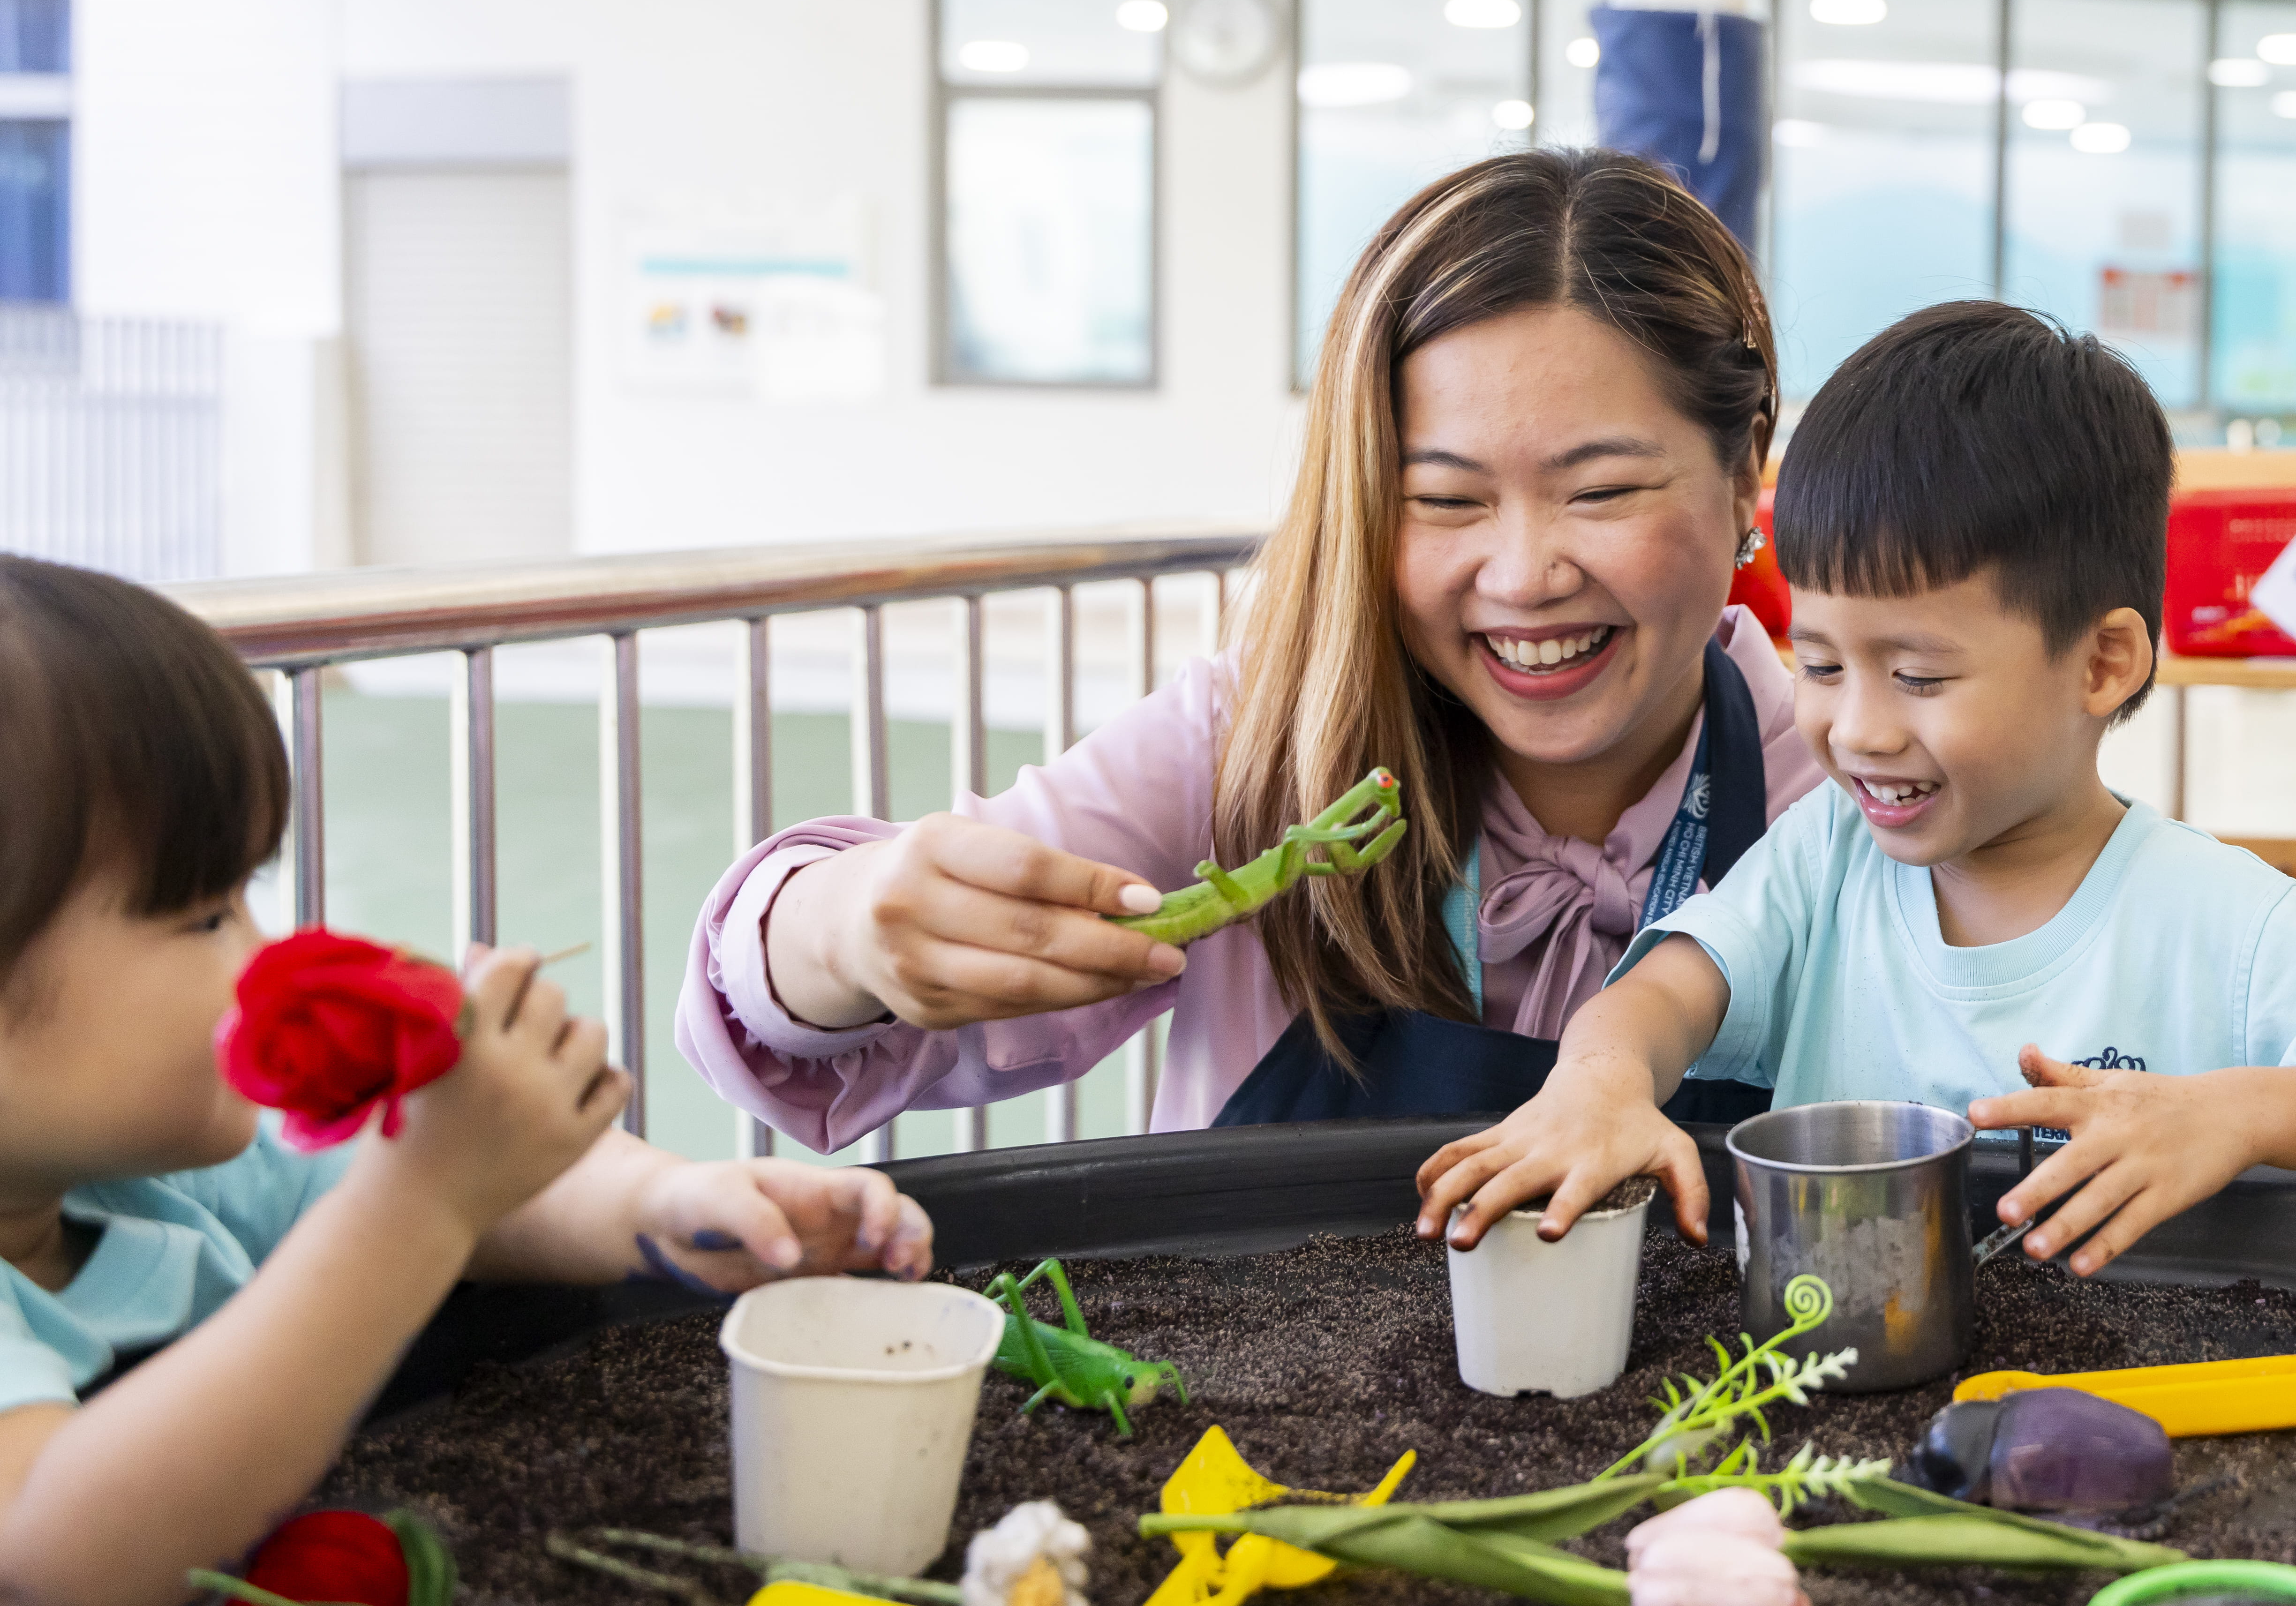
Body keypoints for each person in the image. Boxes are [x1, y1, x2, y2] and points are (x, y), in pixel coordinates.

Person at [681, 150, 1824, 1141]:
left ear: (1743, 478)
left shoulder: (1842, 804)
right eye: (1443, 499)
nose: (1524, 574)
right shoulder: (1251, 752)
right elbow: (803, 1025)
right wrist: (836, 930)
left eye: (1604, 489)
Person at [1416, 301, 2296, 1276]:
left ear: (2102, 664)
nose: (1855, 727)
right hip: (1824, 1366)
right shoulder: (1826, 864)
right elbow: (1666, 988)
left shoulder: (2216, 920)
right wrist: (1603, 1076)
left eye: (1918, 674)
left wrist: (2236, 1114)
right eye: (1818, 663)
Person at [0, 556, 928, 1606]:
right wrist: (424, 1200)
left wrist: (662, 1201)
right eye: (204, 917)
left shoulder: (153, 1188)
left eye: (246, 896)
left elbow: (481, 1192)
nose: (265, 955)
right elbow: (50, 1565)